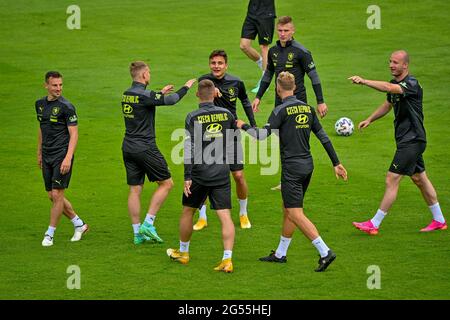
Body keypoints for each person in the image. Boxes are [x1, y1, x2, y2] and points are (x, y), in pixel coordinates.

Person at [237, 71, 347, 272]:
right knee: (288, 208)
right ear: (295, 87)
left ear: (278, 89)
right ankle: (280, 253)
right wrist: (336, 162)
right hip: (307, 166)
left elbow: (261, 136)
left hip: (292, 169)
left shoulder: (280, 111)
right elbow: (323, 137)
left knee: (295, 213)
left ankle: (324, 251)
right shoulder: (308, 109)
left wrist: (242, 124)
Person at [349, 50, 447, 234]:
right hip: (406, 140)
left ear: (405, 65)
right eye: (390, 62)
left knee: (391, 178)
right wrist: (370, 119)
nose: (391, 65)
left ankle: (374, 223)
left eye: (395, 62)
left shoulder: (411, 84)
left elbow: (389, 88)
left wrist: (364, 81)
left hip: (413, 140)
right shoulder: (396, 84)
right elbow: (389, 103)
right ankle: (440, 220)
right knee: (419, 178)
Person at [121, 61, 196, 245]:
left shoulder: (127, 94)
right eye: (149, 73)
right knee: (167, 183)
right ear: (144, 75)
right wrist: (185, 87)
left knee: (135, 189)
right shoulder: (146, 95)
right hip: (145, 147)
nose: (150, 75)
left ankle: (137, 233)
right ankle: (148, 222)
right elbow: (172, 101)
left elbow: (146, 99)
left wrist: (159, 93)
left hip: (128, 147)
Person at [167, 79, 237, 273]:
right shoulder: (227, 114)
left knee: (188, 211)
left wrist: (187, 176)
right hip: (222, 172)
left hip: (199, 173)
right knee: (225, 217)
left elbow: (189, 147)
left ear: (198, 95)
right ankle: (227, 259)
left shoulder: (192, 117)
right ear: (215, 93)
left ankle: (183, 253)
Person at [252, 15, 329, 190]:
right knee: (283, 140)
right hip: (280, 104)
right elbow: (268, 75)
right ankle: (286, 179)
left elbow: (314, 77)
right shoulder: (273, 51)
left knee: (298, 140)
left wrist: (321, 101)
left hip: (298, 102)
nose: (282, 34)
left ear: (293, 31)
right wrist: (258, 97)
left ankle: (299, 175)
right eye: (279, 30)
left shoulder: (302, 52)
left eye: (286, 31)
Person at [195, 49, 256, 231]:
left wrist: (252, 125)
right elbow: (201, 98)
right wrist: (210, 90)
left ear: (226, 65)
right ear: (209, 64)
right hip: (209, 134)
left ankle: (243, 213)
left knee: (238, 175)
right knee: (203, 176)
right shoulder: (204, 81)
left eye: (220, 63)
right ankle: (202, 217)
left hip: (230, 133)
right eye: (213, 63)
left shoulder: (236, 82)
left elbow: (245, 101)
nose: (216, 66)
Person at [36, 71, 89, 247]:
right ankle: (79, 224)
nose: (58, 88)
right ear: (46, 85)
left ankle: (49, 234)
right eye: (54, 85)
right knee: (52, 195)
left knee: (58, 193)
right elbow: (42, 129)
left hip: (61, 155)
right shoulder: (40, 105)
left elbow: (74, 134)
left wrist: (68, 157)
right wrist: (39, 153)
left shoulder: (67, 106)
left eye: (60, 85)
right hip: (47, 155)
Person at [239, 0, 276, 93]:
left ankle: (265, 82)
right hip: (252, 13)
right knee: (244, 45)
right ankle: (262, 63)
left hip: (266, 14)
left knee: (264, 46)